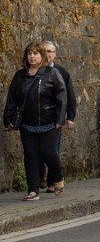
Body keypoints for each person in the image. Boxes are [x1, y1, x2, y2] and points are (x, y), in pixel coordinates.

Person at [4, 42, 67, 200]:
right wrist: (8, 118)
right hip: (27, 123)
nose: (32, 56)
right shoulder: (20, 76)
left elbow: (62, 97)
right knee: (30, 155)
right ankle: (33, 190)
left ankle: (58, 178)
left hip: (50, 122)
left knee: (48, 153)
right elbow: (12, 98)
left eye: (36, 53)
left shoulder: (52, 73)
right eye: (29, 53)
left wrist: (60, 119)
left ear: (42, 55)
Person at [40, 41, 76, 188]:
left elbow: (69, 95)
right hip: (37, 117)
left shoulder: (62, 72)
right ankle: (40, 176)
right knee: (37, 150)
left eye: (50, 51)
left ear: (55, 54)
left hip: (55, 117)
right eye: (44, 51)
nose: (47, 54)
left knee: (53, 150)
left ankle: (52, 182)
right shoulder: (33, 71)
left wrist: (70, 116)